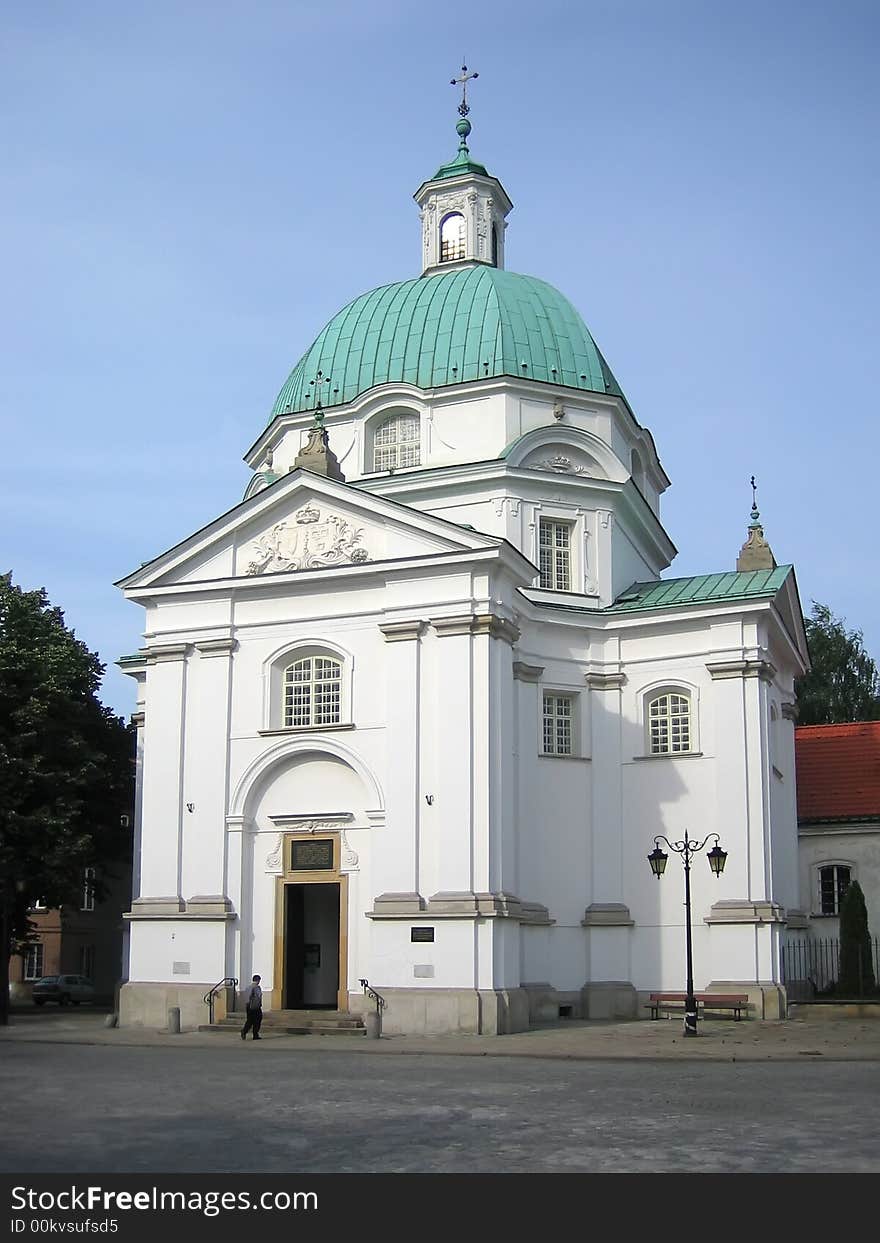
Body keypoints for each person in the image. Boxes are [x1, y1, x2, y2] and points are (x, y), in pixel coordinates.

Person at [241, 974, 263, 1040]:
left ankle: (244, 1031)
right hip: (255, 1006)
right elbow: (258, 996)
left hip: (248, 1005)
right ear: (258, 980)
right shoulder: (256, 987)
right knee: (258, 1020)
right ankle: (255, 1034)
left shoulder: (248, 987)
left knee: (250, 1020)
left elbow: (246, 996)